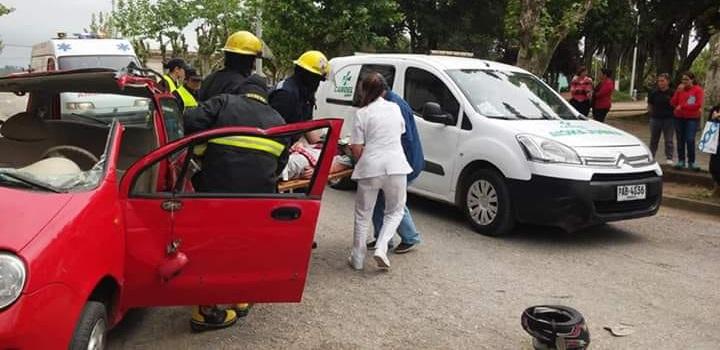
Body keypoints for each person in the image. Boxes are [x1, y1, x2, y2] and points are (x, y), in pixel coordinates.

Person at [183, 75, 288, 331]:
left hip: (215, 195)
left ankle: (205, 311)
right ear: (266, 96)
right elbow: (281, 163)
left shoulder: (224, 102)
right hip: (257, 199)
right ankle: (240, 298)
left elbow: (188, 120)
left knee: (211, 247)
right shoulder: (279, 121)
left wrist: (205, 143)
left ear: (242, 91)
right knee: (245, 246)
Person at [349, 73, 412, 270]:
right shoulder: (395, 108)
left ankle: (357, 258)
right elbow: (400, 133)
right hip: (396, 166)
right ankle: (382, 247)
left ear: (364, 90)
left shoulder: (362, 113)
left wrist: (365, 160)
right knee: (395, 211)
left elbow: (357, 148)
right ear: (384, 89)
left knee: (362, 214)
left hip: (370, 167)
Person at [366, 76, 424, 254]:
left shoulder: (396, 106)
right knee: (382, 199)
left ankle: (410, 237)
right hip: (395, 161)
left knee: (393, 202)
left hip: (404, 162)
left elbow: (405, 139)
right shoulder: (388, 102)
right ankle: (383, 238)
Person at [198, 31, 263, 102]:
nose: (254, 65)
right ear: (248, 60)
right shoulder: (242, 85)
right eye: (253, 59)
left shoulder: (209, 79)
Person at [269, 50, 329, 126]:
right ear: (304, 75)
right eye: (316, 79)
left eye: (320, 80)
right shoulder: (285, 94)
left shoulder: (306, 95)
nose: (317, 84)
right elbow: (274, 129)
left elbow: (307, 125)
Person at [671, 71, 705, 171]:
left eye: (687, 79)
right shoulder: (680, 90)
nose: (684, 81)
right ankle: (681, 161)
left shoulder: (697, 90)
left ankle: (692, 162)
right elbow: (673, 102)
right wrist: (677, 91)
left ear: (692, 80)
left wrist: (682, 106)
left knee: (690, 139)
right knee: (680, 139)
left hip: (692, 118)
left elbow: (697, 105)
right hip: (679, 118)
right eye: (683, 79)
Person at [647, 73, 675, 164]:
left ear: (668, 81)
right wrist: (651, 115)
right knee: (654, 139)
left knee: (669, 140)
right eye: (659, 81)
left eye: (662, 81)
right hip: (655, 119)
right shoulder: (653, 92)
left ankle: (669, 158)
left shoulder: (672, 93)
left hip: (669, 119)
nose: (660, 83)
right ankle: (651, 156)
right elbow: (650, 105)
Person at [708, 103, 720, 196]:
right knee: (713, 166)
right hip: (716, 142)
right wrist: (714, 118)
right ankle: (717, 187)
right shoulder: (716, 108)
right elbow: (709, 124)